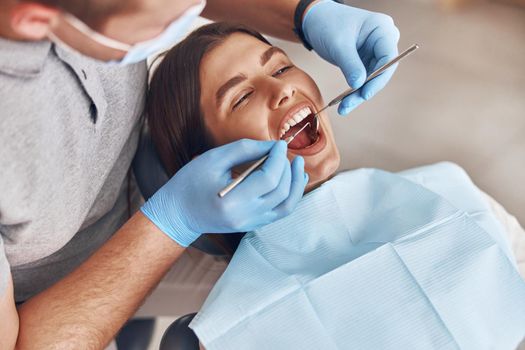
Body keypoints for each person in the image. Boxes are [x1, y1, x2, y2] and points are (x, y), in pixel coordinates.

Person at [0, 0, 402, 348]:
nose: (193, 14)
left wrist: (303, 13)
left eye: (280, 69)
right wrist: (172, 221)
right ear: (36, 20)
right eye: (241, 96)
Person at [146, 22, 525, 348]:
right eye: (242, 97)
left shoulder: (454, 195)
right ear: (210, 165)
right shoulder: (232, 328)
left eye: (280, 68)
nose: (282, 91)